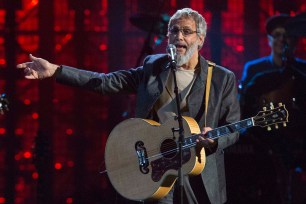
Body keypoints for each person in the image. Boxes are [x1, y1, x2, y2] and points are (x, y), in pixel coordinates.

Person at [17, 8, 240, 204]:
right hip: (158, 170)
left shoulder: (221, 78)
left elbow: (234, 127)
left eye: (186, 31)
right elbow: (105, 81)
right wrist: (57, 70)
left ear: (201, 39)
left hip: (199, 175)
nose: (178, 36)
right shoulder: (153, 67)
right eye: (173, 31)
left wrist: (214, 139)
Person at [239, 13, 306, 203]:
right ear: (269, 39)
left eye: (286, 35)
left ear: (294, 40)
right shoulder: (254, 69)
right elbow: (245, 107)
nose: (281, 40)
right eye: (277, 35)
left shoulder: (303, 70)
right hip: (264, 143)